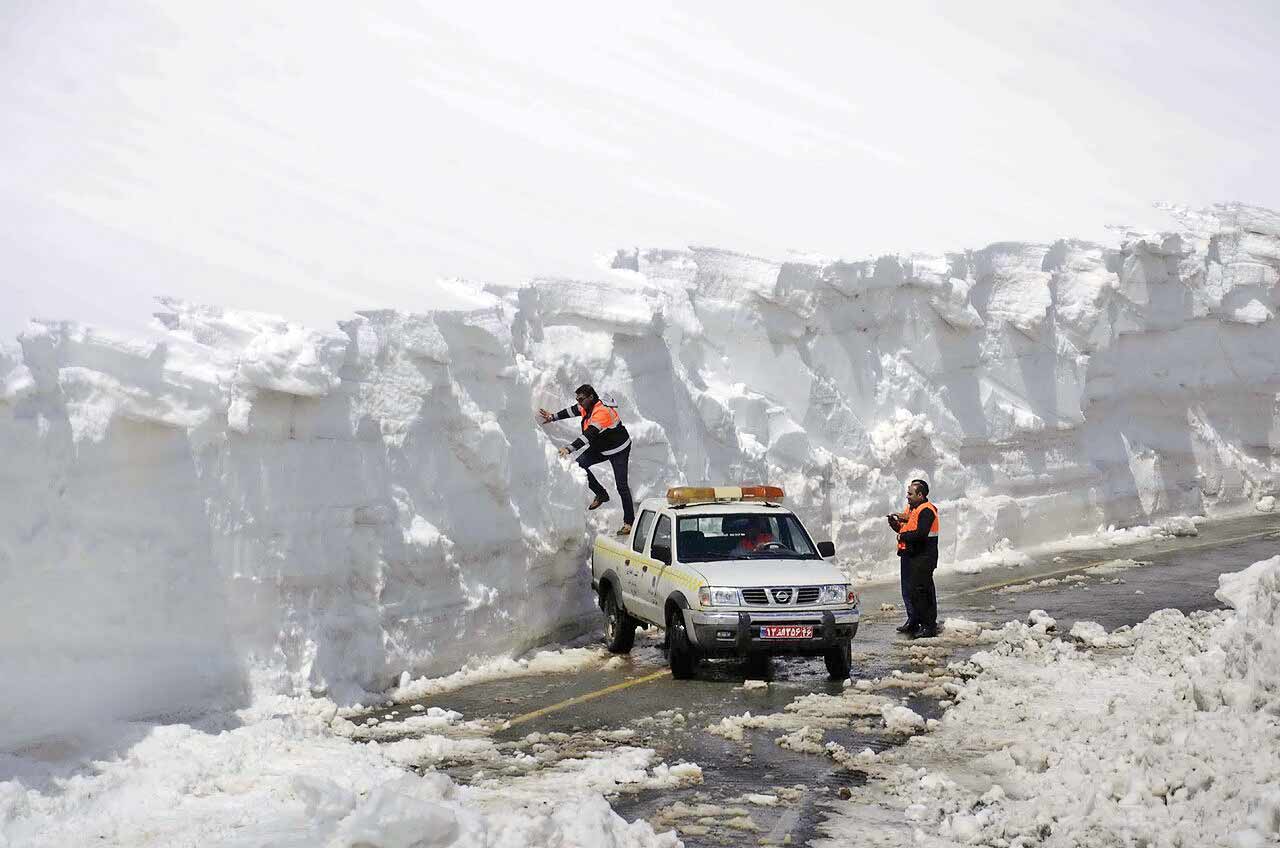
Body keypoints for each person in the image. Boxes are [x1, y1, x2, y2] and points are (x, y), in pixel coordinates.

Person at [538, 384, 634, 535]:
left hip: (619, 450)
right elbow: (573, 410)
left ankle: (629, 522)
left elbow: (588, 435)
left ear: (590, 397)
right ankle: (601, 494)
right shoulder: (586, 406)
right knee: (580, 465)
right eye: (577, 399)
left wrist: (569, 448)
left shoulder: (601, 412)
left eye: (581, 399)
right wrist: (553, 417)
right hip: (602, 446)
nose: (579, 402)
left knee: (622, 486)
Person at [892, 479, 940, 638]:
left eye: (910, 494)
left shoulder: (927, 510)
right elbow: (907, 528)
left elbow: (920, 533)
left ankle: (928, 626)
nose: (907, 496)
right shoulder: (912, 509)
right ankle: (914, 620)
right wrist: (896, 525)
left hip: (923, 557)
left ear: (920, 495)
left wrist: (902, 536)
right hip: (911, 555)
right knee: (910, 591)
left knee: (922, 592)